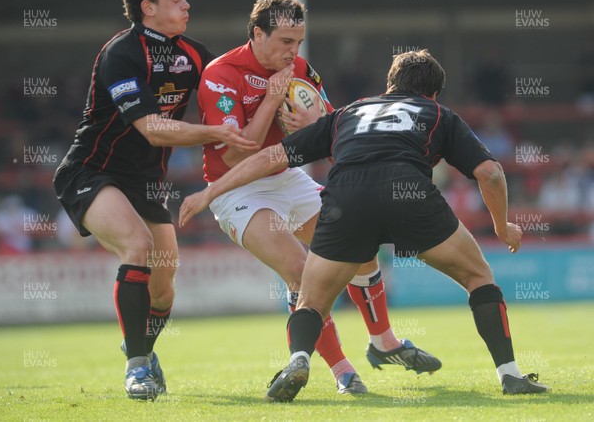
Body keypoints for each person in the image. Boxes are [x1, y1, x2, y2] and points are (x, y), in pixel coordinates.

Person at [180, 49, 550, 401]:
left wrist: (210, 193)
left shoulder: (348, 113)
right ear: (433, 93)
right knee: (479, 278)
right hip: (411, 199)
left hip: (346, 203)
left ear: (389, 84)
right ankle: (511, 375)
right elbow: (491, 172)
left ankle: (300, 360)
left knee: (311, 300)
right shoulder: (437, 113)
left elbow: (271, 157)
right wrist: (501, 226)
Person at [189, 0, 441, 395]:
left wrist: (315, 120)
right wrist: (272, 99)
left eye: (299, 42)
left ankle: (384, 342)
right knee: (299, 269)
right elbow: (235, 152)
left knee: (360, 246)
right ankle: (342, 371)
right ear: (257, 33)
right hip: (239, 189)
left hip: (288, 178)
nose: (295, 52)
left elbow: (337, 125)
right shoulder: (221, 74)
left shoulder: (300, 68)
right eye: (286, 42)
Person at [53, 0, 257, 401]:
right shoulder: (121, 53)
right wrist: (219, 133)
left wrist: (271, 102)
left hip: (147, 182)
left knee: (163, 288)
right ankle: (137, 368)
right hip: (92, 171)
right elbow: (152, 128)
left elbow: (228, 102)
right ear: (148, 8)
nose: (187, 4)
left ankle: (139, 347)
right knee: (137, 247)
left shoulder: (197, 54)